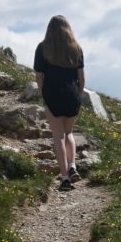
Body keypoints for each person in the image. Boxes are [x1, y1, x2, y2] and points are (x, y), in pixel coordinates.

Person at [32, 14, 85, 190]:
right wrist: (78, 95)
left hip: (52, 94)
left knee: (58, 136)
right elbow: (81, 78)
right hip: (72, 94)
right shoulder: (76, 48)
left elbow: (39, 76)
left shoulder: (42, 48)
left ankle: (64, 178)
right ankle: (73, 166)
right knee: (69, 133)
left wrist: (43, 95)